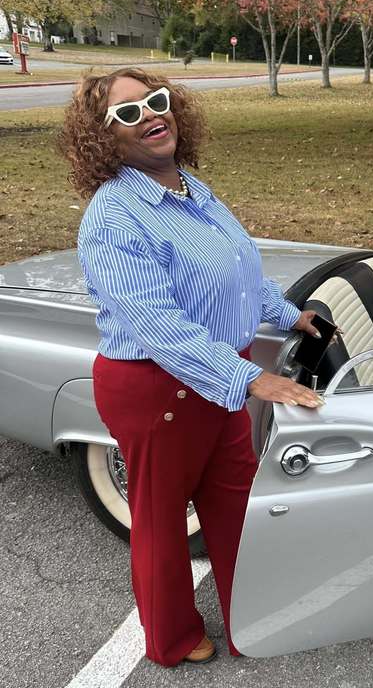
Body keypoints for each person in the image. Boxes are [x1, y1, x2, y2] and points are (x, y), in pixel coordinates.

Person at [57, 67, 323, 668]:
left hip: (220, 374)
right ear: (104, 139)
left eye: (156, 101)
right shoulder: (113, 216)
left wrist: (288, 314)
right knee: (161, 520)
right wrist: (252, 379)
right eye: (127, 113)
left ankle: (248, 616)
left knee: (235, 505)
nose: (151, 116)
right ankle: (171, 638)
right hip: (157, 387)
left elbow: (237, 274)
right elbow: (155, 323)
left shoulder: (192, 191)